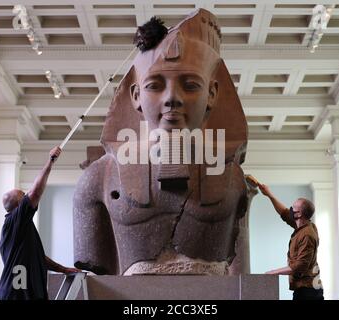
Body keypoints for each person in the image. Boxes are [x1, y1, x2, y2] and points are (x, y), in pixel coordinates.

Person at [73, 9, 250, 276]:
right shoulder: (98, 178)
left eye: (190, 85)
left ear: (212, 94)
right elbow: (97, 278)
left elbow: (241, 278)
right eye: (155, 85)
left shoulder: (232, 177)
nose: (171, 98)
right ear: (135, 95)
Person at [0, 146, 80, 300]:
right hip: (17, 293)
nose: (27, 196)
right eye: (23, 195)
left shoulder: (21, 228)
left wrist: (63, 269)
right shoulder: (13, 221)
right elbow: (35, 192)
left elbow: (38, 257)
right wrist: (50, 161)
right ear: (18, 206)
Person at [258, 184, 324, 300]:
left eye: (293, 208)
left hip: (309, 292)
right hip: (303, 289)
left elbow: (300, 266)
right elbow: (284, 212)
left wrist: (273, 272)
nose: (290, 209)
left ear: (299, 214)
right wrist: (269, 195)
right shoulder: (303, 224)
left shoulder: (308, 234)